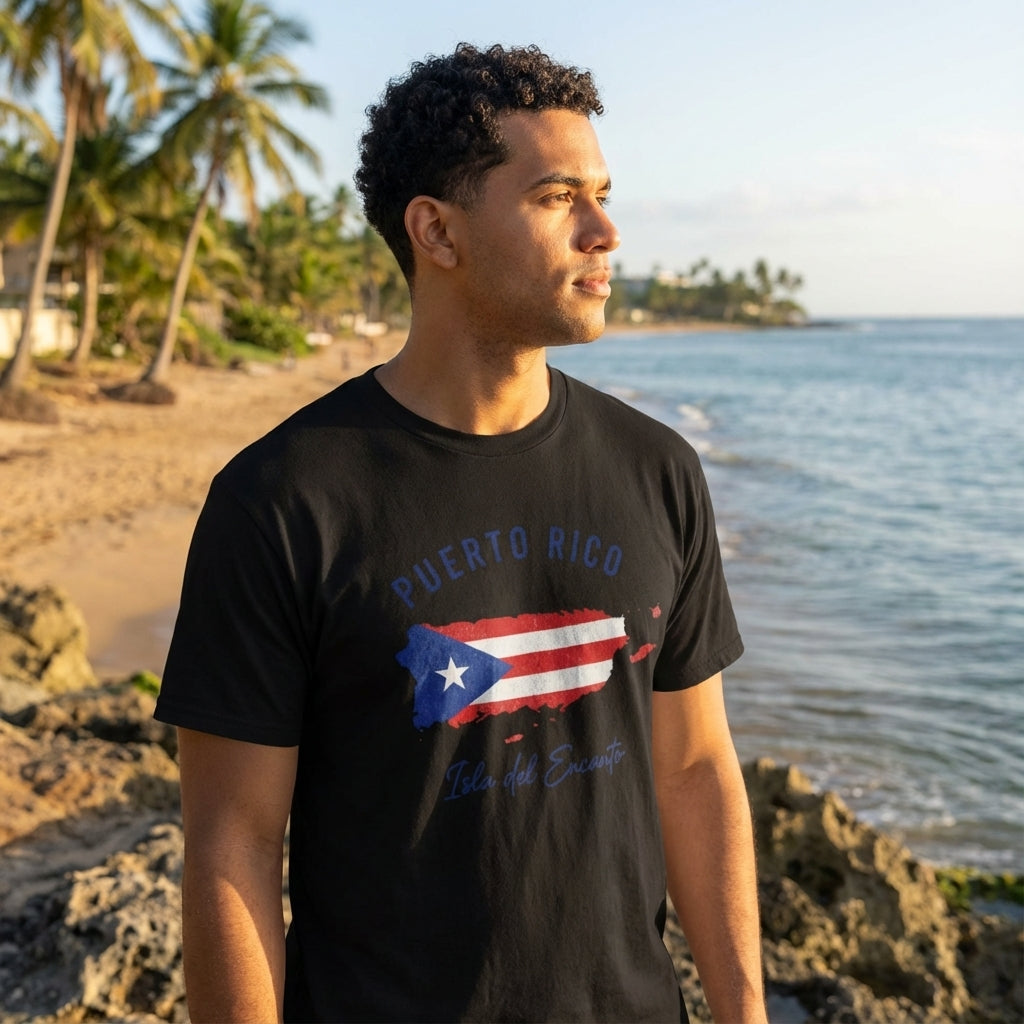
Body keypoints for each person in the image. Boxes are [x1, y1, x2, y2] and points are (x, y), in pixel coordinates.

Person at [155, 42, 767, 1024]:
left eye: (601, 192)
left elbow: (694, 769)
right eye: (558, 196)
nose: (604, 231)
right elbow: (231, 843)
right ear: (436, 232)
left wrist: (744, 1014)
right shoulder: (282, 500)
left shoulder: (657, 470)